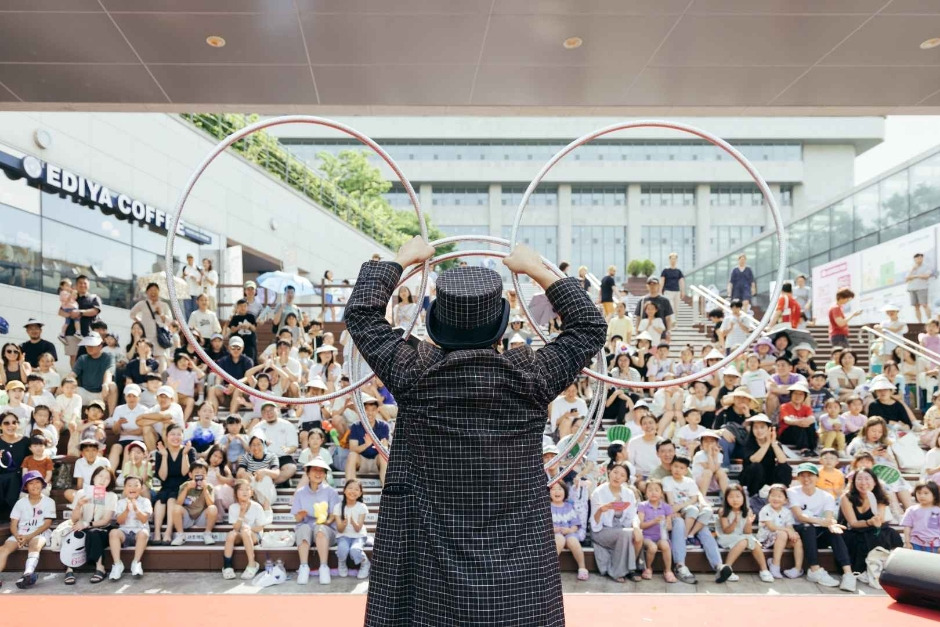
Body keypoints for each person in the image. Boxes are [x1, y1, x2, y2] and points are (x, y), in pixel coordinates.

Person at [344, 237, 606, 626]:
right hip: (517, 576)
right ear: (500, 327)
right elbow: (589, 326)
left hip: (430, 576)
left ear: (436, 324)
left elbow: (361, 314)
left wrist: (402, 259)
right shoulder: (530, 378)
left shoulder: (413, 375)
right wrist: (536, 269)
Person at [788, 463, 855, 591]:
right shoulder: (792, 492)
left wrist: (829, 524)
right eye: (802, 475)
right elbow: (800, 516)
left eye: (810, 475)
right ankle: (814, 569)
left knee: (834, 531)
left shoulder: (827, 496)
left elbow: (828, 519)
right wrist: (821, 521)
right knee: (808, 526)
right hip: (799, 531)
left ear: (817, 477)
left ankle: (848, 573)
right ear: (798, 478)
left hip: (817, 531)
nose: (806, 479)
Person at [839, 468, 903, 586]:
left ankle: (881, 568)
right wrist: (869, 522)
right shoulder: (846, 497)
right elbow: (853, 523)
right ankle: (862, 570)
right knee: (862, 539)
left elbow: (879, 519)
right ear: (854, 482)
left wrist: (877, 521)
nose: (863, 483)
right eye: (859, 479)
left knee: (886, 534)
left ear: (874, 482)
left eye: (867, 479)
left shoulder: (880, 497)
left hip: (873, 528)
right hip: (853, 530)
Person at [0, 471, 54, 589]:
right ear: (25, 487)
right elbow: (13, 524)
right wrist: (17, 536)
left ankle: (28, 573)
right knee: (3, 549)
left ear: (42, 484)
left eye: (37, 482)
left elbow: (47, 524)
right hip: (21, 533)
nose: (35, 485)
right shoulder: (20, 503)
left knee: (35, 544)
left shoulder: (49, 502)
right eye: (31, 483)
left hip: (39, 532)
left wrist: (29, 537)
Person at [292, 458, 341, 585]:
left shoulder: (331, 492)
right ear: (308, 473)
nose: (318, 473)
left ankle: (324, 567)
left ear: (325, 474)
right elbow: (297, 519)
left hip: (326, 529)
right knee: (303, 528)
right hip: (306, 528)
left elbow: (334, 515)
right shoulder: (300, 493)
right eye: (315, 470)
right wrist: (300, 516)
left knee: (320, 530)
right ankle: (304, 566)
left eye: (321, 471)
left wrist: (325, 522)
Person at [590, 462, 642, 583]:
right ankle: (617, 572)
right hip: (601, 530)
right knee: (626, 534)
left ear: (626, 479)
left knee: (637, 535)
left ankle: (631, 569)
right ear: (609, 472)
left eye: (622, 475)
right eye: (615, 472)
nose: (617, 477)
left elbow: (632, 515)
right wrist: (600, 510)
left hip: (621, 528)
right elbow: (594, 522)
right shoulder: (598, 492)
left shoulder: (628, 493)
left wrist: (636, 527)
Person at [66, 466, 117, 585]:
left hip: (102, 529)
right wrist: (79, 505)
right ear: (94, 477)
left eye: (107, 478)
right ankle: (69, 569)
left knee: (94, 533)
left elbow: (106, 520)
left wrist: (88, 524)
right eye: (100, 476)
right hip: (82, 527)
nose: (103, 480)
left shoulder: (111, 496)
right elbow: (74, 519)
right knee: (73, 534)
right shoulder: (81, 493)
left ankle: (100, 568)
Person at [717, 484, 774, 583]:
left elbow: (748, 532)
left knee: (753, 542)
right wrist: (735, 521)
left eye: (738, 496)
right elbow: (726, 531)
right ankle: (727, 568)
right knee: (745, 540)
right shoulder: (723, 511)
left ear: (743, 498)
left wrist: (748, 522)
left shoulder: (748, 511)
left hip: (741, 537)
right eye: (731, 497)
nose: (735, 500)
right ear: (726, 499)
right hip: (726, 537)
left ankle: (764, 570)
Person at [151, 424, 196, 545]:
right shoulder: (160, 453)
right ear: (166, 436)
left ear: (183, 436)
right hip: (166, 486)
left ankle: (168, 532)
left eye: (178, 434)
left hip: (183, 488)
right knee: (160, 500)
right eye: (172, 434)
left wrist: (185, 454)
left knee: (171, 499)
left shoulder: (189, 450)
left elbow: (185, 473)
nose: (175, 437)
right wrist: (164, 456)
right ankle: (156, 532)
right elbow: (162, 477)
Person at [108, 474, 152, 580]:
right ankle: (117, 564)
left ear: (141, 488)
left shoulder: (145, 501)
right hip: (124, 532)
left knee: (143, 533)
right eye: (129, 485)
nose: (132, 488)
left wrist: (136, 509)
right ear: (125, 488)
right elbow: (119, 521)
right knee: (113, 533)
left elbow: (144, 519)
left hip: (139, 532)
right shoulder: (120, 502)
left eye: (136, 485)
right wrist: (127, 510)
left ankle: (136, 563)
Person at [222, 479, 265, 580]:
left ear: (251, 492)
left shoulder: (257, 507)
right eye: (241, 489)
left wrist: (249, 529)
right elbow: (236, 528)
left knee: (245, 530)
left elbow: (260, 527)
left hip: (255, 535)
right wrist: (241, 513)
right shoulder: (233, 507)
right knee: (231, 534)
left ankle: (252, 564)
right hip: (241, 534)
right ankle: (227, 566)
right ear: (236, 493)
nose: (244, 492)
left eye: (247, 489)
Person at [758, 484, 804, 579]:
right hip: (766, 540)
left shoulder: (787, 511)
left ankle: (797, 569)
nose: (776, 498)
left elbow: (789, 526)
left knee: (797, 539)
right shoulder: (765, 510)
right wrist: (787, 530)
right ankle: (775, 565)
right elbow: (772, 527)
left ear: (785, 500)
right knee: (782, 534)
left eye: (779, 496)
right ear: (768, 498)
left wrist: (792, 533)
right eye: (773, 496)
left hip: (781, 539)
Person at [740, 414, 792, 497]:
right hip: (752, 477)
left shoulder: (775, 443)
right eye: (755, 427)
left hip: (769, 476)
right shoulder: (748, 443)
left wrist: (773, 443)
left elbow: (783, 460)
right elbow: (754, 460)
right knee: (756, 466)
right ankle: (754, 495)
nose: (759, 430)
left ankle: (781, 494)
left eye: (762, 427)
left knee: (785, 467)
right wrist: (767, 443)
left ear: (769, 429)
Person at [636, 479, 677, 583]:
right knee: (652, 547)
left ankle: (668, 571)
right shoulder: (642, 506)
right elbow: (640, 525)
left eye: (656, 490)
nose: (653, 492)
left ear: (661, 493)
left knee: (665, 545)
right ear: (646, 493)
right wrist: (654, 521)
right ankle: (648, 568)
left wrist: (666, 523)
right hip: (646, 537)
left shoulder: (666, 507)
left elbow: (669, 527)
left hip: (661, 536)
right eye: (650, 490)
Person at [249, 401, 298, 487]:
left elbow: (294, 446)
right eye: (265, 411)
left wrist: (288, 449)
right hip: (265, 457)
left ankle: (268, 484)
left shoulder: (287, 425)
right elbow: (252, 447)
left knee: (291, 468)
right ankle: (276, 483)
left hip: (283, 457)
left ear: (278, 410)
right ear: (262, 414)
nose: (269, 413)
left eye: (271, 410)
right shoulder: (257, 428)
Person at [345, 395, 390, 485]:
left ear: (377, 410)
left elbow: (385, 446)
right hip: (361, 461)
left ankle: (386, 488)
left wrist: (381, 446)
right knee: (352, 455)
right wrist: (366, 445)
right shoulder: (355, 426)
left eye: (373, 409)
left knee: (383, 456)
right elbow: (352, 448)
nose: (370, 413)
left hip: (377, 462)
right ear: (362, 410)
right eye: (367, 409)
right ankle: (351, 487)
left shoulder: (383, 426)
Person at [549, 481, 588, 581]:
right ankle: (549, 568)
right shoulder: (547, 507)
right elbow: (543, 525)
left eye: (560, 489)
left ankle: (582, 568)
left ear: (565, 492)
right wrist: (553, 529)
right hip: (554, 534)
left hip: (568, 532)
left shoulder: (568, 506)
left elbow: (575, 524)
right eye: (553, 489)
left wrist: (570, 530)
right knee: (559, 539)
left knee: (573, 541)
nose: (557, 491)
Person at [59, 275, 102, 367]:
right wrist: (70, 314)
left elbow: (95, 311)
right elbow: (60, 312)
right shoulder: (71, 297)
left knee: (89, 357)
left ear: (88, 284)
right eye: (80, 283)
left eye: (85, 283)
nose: (82, 285)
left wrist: (80, 312)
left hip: (88, 333)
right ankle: (75, 375)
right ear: (76, 285)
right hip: (71, 332)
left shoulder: (93, 298)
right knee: (74, 357)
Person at [69, 334, 117, 414]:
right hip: (85, 392)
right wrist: (65, 383)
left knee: (112, 386)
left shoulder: (108, 357)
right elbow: (72, 374)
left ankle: (111, 416)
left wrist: (105, 384)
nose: (89, 348)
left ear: (100, 346)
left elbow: (108, 372)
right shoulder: (82, 358)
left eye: (92, 345)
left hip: (101, 393)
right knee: (67, 385)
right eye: (88, 345)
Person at [334, 478, 371, 579]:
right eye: (350, 488)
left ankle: (365, 563)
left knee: (354, 550)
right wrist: (344, 524)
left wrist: (353, 522)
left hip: (358, 536)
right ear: (344, 490)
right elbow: (340, 530)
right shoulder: (338, 507)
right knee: (342, 549)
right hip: (343, 535)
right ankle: (341, 563)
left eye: (356, 489)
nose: (353, 491)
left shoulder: (362, 507)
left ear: (360, 493)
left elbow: (358, 529)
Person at [129, 282, 171, 370]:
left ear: (159, 292)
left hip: (159, 337)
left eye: (155, 290)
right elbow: (132, 314)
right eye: (151, 290)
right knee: (145, 358)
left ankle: (161, 377)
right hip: (146, 337)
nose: (153, 292)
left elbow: (169, 321)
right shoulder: (142, 304)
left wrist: (161, 314)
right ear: (147, 292)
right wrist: (140, 323)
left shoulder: (164, 305)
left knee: (161, 360)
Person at [0, 411, 28, 523]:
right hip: (1, 478)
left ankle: (14, 519)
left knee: (13, 478)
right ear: (0, 426)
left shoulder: (25, 441)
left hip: (19, 479)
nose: (11, 425)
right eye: (6, 423)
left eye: (14, 422)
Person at [777, 382, 817, 456]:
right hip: (787, 435)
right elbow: (787, 420)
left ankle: (812, 448)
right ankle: (804, 449)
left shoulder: (806, 408)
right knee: (797, 426)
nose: (797, 396)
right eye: (795, 393)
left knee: (811, 425)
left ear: (804, 397)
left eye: (801, 394)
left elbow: (812, 418)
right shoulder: (784, 406)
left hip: (801, 435)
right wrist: (799, 422)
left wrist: (805, 421)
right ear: (791, 395)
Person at [901, 482, 940, 553]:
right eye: (919, 493)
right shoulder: (911, 510)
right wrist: (907, 542)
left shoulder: (938, 511)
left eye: (926, 493)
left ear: (934, 495)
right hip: (915, 543)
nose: (922, 496)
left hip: (934, 544)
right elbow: (907, 527)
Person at [634, 279, 672, 344]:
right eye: (650, 284)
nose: (652, 286)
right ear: (647, 286)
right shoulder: (642, 300)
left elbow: (668, 318)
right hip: (644, 337)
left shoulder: (665, 301)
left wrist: (668, 332)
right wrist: (637, 333)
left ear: (658, 285)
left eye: (654, 284)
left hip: (660, 336)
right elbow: (638, 318)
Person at [906, 252, 933, 323]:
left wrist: (915, 276)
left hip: (922, 288)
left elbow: (926, 276)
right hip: (912, 289)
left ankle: (930, 321)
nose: (919, 259)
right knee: (916, 307)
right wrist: (913, 270)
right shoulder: (911, 267)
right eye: (917, 258)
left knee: (924, 305)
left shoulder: (926, 266)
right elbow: (907, 279)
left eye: (921, 258)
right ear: (914, 259)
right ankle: (919, 322)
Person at [660, 252, 685, 318]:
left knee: (676, 308)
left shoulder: (678, 271)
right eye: (672, 258)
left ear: (676, 260)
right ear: (669, 259)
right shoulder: (665, 271)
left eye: (674, 259)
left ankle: (675, 322)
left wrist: (683, 291)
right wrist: (660, 291)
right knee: (670, 306)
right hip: (668, 291)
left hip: (677, 291)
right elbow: (662, 281)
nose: (673, 260)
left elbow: (681, 281)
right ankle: (670, 321)